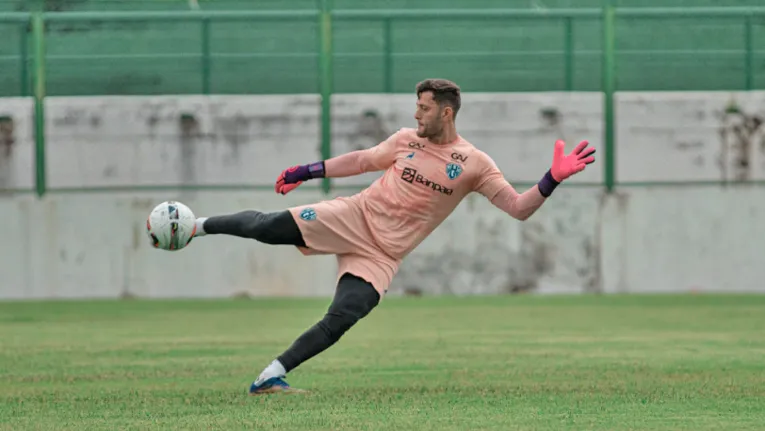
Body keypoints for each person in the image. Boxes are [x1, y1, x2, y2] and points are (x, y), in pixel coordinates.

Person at [191, 78, 596, 394]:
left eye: (424, 109)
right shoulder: (405, 140)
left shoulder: (474, 164)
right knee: (266, 226)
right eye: (416, 108)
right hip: (352, 216)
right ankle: (194, 226)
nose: (417, 116)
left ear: (447, 113)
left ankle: (270, 377)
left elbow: (519, 208)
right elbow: (363, 161)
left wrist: (551, 179)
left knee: (344, 316)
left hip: (382, 254)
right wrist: (308, 171)